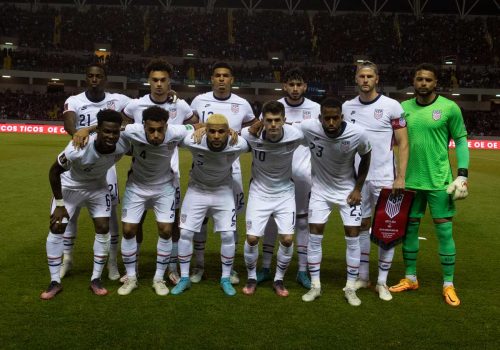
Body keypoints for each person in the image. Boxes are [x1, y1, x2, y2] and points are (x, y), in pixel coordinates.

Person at [389, 63, 469, 307]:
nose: (423, 83)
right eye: (419, 79)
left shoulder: (449, 107)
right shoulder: (402, 109)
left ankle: (448, 283)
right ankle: (410, 278)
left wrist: (462, 174)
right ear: (413, 81)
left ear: (435, 83)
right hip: (409, 182)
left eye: (428, 80)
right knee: (409, 231)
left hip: (439, 182)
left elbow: (461, 140)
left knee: (444, 231)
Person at [40, 110, 130, 300]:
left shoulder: (123, 143)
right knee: (57, 227)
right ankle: (54, 281)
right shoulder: (77, 148)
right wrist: (59, 204)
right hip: (70, 188)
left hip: (97, 188)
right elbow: (53, 172)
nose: (111, 136)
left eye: (115, 132)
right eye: (106, 131)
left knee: (104, 227)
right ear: (97, 130)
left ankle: (96, 278)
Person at [122, 58, 197, 285]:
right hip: (141, 172)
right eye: (154, 80)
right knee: (137, 222)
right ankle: (132, 267)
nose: (159, 84)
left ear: (169, 81)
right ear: (148, 81)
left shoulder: (180, 106)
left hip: (170, 175)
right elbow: (122, 127)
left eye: (163, 80)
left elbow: (197, 124)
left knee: (171, 226)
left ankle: (171, 268)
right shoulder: (136, 105)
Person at [342, 61, 409, 301]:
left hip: (385, 179)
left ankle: (382, 281)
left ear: (377, 79)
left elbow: (403, 143)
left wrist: (400, 176)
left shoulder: (392, 106)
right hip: (357, 180)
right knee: (361, 226)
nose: (366, 80)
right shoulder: (347, 107)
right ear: (356, 79)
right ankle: (362, 276)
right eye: (362, 76)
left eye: (370, 76)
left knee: (386, 229)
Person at [60, 63, 130, 281]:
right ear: (85, 78)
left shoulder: (119, 100)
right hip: (80, 159)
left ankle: (111, 263)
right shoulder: (75, 101)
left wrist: (172, 94)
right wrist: (79, 134)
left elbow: (139, 109)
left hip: (105, 163)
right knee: (70, 215)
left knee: (110, 215)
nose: (94, 79)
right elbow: (69, 125)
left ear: (105, 78)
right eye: (90, 76)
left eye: (98, 76)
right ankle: (67, 259)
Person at [189, 62, 257, 284]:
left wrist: (237, 133)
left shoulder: (242, 104)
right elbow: (189, 124)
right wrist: (199, 126)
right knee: (200, 220)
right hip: (202, 166)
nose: (221, 79)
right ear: (211, 79)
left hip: (232, 168)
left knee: (232, 219)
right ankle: (199, 266)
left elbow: (253, 131)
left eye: (225, 75)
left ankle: (231, 268)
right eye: (217, 75)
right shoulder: (199, 100)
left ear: (232, 79)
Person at [299, 98, 371, 306]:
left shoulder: (358, 133)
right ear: (320, 118)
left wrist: (358, 188)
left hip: (348, 192)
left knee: (352, 236)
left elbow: (366, 156)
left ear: (342, 117)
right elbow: (284, 131)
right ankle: (315, 286)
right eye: (327, 118)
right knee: (315, 235)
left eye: (335, 118)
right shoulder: (309, 128)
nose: (331, 122)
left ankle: (350, 287)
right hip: (320, 191)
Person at [256, 67, 320, 289]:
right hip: (274, 176)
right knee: (272, 220)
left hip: (303, 176)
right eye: (291, 84)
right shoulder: (272, 108)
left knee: (302, 222)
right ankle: (265, 267)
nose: (295, 89)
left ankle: (302, 270)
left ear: (304, 86)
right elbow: (256, 133)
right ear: (284, 86)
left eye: (299, 84)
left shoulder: (315, 108)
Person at [171, 114, 249, 296]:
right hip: (197, 190)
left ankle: (226, 278)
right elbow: (176, 133)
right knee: (186, 233)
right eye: (211, 131)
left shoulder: (239, 143)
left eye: (221, 131)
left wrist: (235, 132)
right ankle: (184, 278)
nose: (215, 136)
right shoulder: (193, 140)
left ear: (228, 132)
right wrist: (195, 127)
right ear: (205, 131)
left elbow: (255, 139)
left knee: (229, 235)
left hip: (223, 191)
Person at [240, 101, 304, 297]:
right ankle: (251, 277)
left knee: (286, 239)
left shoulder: (297, 134)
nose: (274, 124)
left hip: (285, 193)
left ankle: (278, 280)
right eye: (269, 120)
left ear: (285, 120)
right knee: (251, 238)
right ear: (263, 121)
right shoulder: (249, 135)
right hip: (259, 193)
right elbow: (230, 135)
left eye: (278, 120)